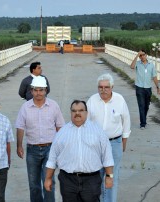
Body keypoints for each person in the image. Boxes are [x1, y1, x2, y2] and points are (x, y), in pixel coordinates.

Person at [44, 100, 114, 202]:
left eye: (81, 110)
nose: (77, 113)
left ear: (86, 113)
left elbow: (107, 156)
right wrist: (48, 178)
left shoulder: (98, 131)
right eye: (74, 111)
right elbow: (52, 159)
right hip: (68, 181)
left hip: (91, 180)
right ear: (71, 113)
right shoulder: (62, 133)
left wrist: (109, 176)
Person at [15, 76, 65, 202]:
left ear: (46, 91)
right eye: (36, 90)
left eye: (41, 90)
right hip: (32, 150)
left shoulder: (54, 106)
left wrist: (60, 147)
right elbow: (20, 127)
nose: (38, 93)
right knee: (34, 185)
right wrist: (19, 146)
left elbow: (60, 127)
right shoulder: (25, 107)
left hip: (50, 149)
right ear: (31, 91)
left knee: (49, 183)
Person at [87, 73, 131, 202]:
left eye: (106, 87)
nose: (103, 90)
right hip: (96, 144)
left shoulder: (119, 100)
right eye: (100, 87)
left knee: (111, 176)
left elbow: (126, 121)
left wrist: (124, 141)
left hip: (114, 144)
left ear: (112, 87)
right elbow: (85, 123)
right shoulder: (92, 100)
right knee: (97, 176)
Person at [130, 50, 160, 129]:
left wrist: (158, 87)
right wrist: (137, 55)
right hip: (139, 88)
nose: (142, 56)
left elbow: (154, 77)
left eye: (143, 55)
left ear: (146, 55)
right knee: (141, 105)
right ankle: (142, 124)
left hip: (148, 88)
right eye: (141, 55)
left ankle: (144, 119)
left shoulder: (151, 65)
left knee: (146, 106)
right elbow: (132, 66)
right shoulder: (137, 63)